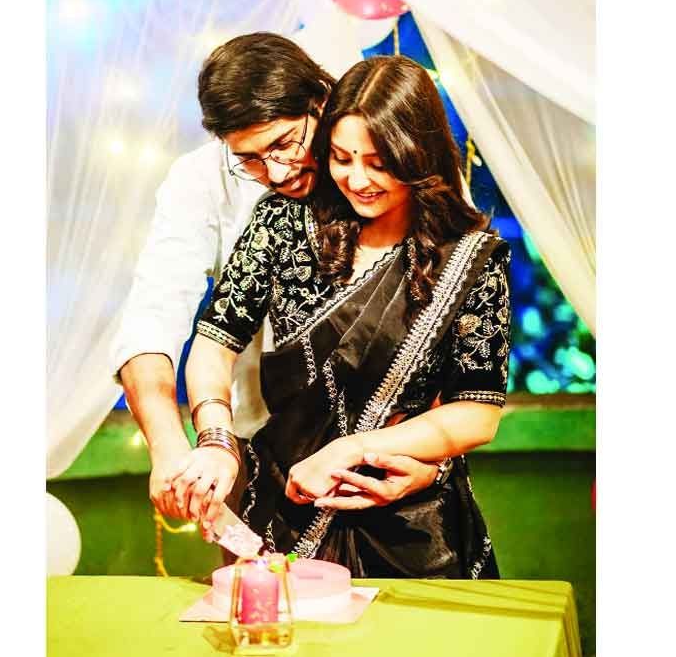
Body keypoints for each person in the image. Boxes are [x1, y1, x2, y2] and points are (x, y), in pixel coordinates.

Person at [183, 55, 513, 579]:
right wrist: (216, 440)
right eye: (341, 158)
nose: (357, 179)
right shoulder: (285, 222)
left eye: (378, 163)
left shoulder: (469, 257)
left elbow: (477, 412)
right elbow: (214, 341)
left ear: (417, 153)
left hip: (412, 526)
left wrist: (355, 448)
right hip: (285, 509)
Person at [110, 34, 441, 535]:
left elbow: (445, 308)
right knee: (261, 586)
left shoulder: (391, 148)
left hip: (399, 454)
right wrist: (177, 447)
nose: (277, 173)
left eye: (286, 144)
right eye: (249, 158)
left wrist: (433, 461)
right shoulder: (205, 183)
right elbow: (156, 318)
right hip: (256, 446)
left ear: (321, 99)